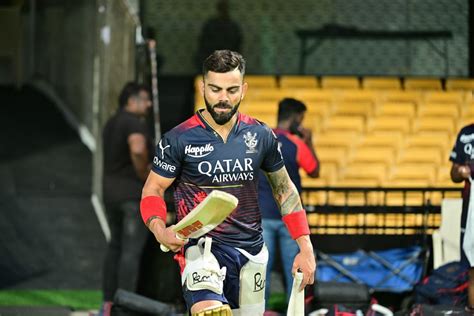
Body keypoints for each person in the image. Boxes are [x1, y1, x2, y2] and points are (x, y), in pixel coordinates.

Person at [140, 50, 316, 315]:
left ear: (244, 89)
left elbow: (285, 190)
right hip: (202, 250)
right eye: (215, 89)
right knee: (210, 312)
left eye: (232, 90)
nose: (223, 98)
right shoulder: (178, 138)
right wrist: (159, 229)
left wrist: (305, 246)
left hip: (252, 253)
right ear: (202, 87)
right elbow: (153, 188)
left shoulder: (260, 134)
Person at [258, 98, 320, 308]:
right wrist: (309, 140)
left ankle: (260, 312)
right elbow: (314, 170)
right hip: (290, 220)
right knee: (294, 271)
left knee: (260, 271)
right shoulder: (297, 144)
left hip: (262, 216)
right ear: (295, 118)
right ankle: (292, 311)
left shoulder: (261, 140)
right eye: (301, 119)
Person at [100, 82, 153, 316]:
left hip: (110, 194)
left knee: (115, 247)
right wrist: (145, 175)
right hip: (132, 195)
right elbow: (139, 149)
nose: (149, 104)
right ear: (132, 101)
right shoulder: (133, 122)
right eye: (145, 99)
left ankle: (108, 303)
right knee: (131, 251)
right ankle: (127, 307)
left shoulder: (111, 123)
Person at [450, 123, 474, 313]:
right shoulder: (466, 133)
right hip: (471, 206)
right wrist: (460, 171)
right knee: (472, 264)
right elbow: (454, 173)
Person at [195, 0, 242, 71]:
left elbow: (237, 44)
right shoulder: (210, 25)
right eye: (222, 8)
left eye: (225, 8)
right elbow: (204, 43)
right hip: (212, 59)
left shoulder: (233, 26)